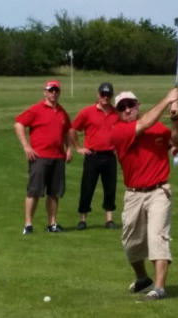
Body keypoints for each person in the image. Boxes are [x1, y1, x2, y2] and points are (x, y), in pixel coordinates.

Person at [111, 88, 178, 301]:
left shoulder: (158, 126)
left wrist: (175, 118)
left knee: (157, 237)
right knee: (131, 243)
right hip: (133, 194)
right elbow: (144, 124)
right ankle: (142, 278)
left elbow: (176, 140)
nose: (127, 110)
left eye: (131, 105)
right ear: (118, 112)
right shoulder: (119, 132)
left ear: (138, 105)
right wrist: (167, 99)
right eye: (122, 107)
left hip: (159, 191)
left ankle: (159, 288)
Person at [14, 80, 72, 234]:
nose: (53, 93)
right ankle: (28, 225)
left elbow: (66, 131)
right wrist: (26, 146)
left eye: (56, 90)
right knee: (34, 191)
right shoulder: (36, 109)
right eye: (51, 90)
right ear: (45, 92)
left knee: (54, 193)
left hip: (58, 157)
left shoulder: (62, 112)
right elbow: (19, 123)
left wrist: (69, 149)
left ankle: (52, 224)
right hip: (39, 157)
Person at [69, 83, 119, 230]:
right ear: (98, 95)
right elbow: (73, 129)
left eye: (108, 95)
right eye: (103, 94)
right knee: (87, 187)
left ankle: (109, 219)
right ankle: (83, 219)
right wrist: (78, 147)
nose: (105, 97)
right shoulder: (87, 112)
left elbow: (124, 130)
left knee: (110, 188)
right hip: (92, 155)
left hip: (109, 156)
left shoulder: (116, 113)